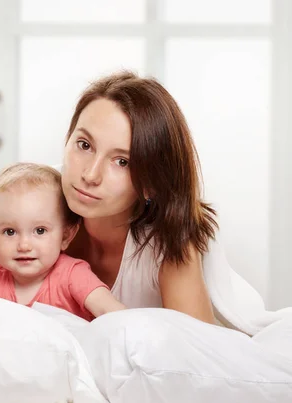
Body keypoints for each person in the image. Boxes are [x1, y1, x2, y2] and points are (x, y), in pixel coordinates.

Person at [61, 71, 217, 323]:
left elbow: (198, 352)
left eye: (122, 161)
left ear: (151, 184)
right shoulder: (36, 207)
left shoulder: (167, 245)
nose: (90, 175)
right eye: (84, 145)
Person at [0, 162, 126, 321]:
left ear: (65, 237)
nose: (24, 245)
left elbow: (114, 314)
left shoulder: (72, 275)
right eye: (10, 232)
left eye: (40, 231)